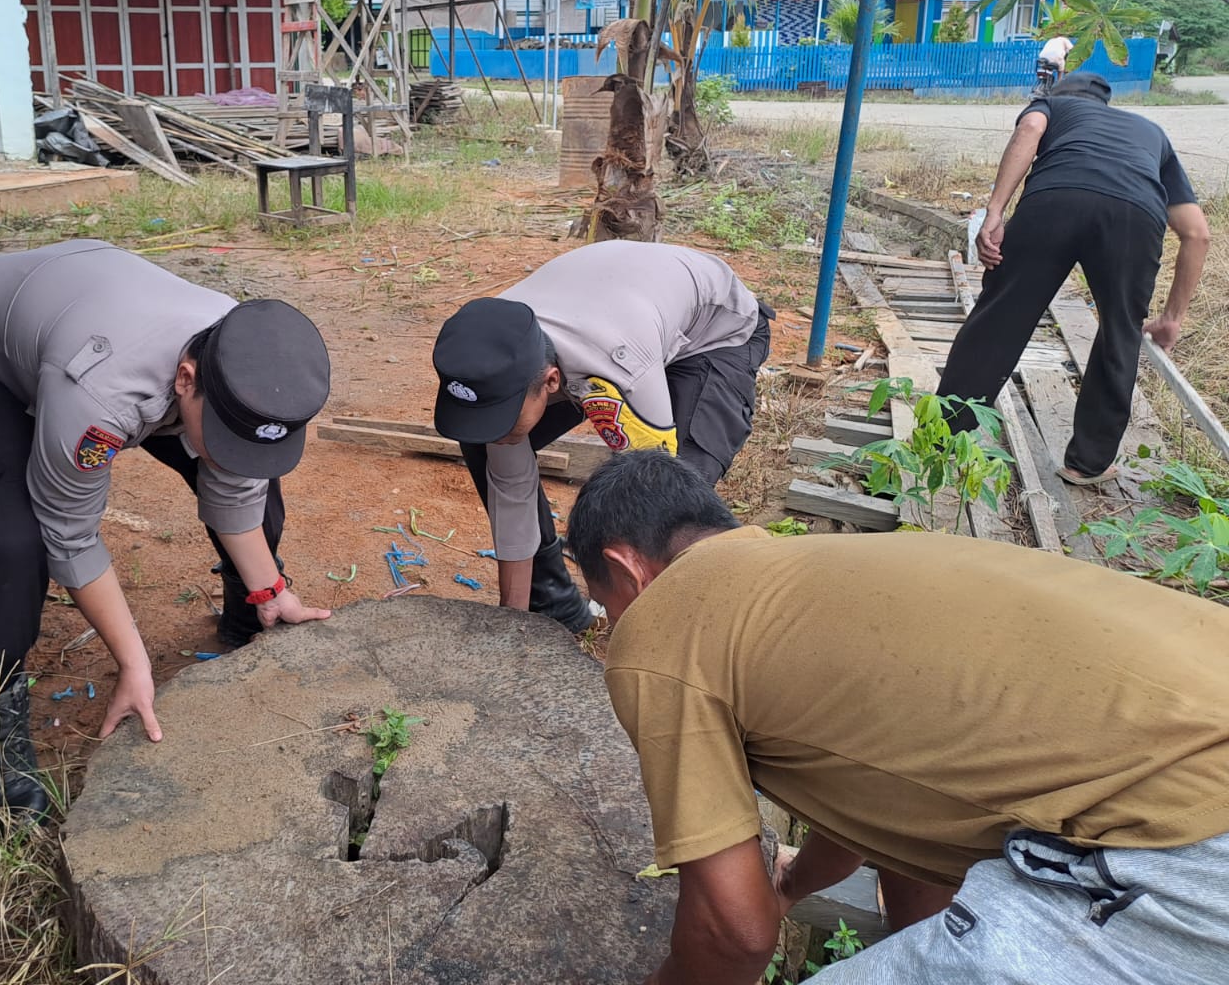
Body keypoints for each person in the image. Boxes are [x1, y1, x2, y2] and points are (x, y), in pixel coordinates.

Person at [567, 450, 1229, 985]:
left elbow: (733, 935)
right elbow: (879, 788)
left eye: (607, 606)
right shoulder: (816, 582)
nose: (615, 627)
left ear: (626, 570)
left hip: (1183, 847)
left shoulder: (666, 624)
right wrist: (793, 884)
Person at [0, 239, 334, 817]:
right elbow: (70, 533)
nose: (234, 452)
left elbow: (236, 486)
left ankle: (249, 617)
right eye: (227, 435)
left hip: (77, 309)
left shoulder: (242, 356)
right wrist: (134, 662)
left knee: (263, 500)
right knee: (15, 541)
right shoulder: (104, 397)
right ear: (187, 379)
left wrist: (272, 590)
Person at [430, 241, 771, 632]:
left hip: (713, 335)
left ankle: (672, 631)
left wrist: (622, 625)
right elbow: (511, 488)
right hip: (615, 308)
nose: (500, 430)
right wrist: (512, 622)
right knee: (486, 445)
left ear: (552, 382)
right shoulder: (498, 348)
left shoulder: (620, 367)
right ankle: (554, 608)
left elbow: (654, 491)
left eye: (505, 416)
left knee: (673, 490)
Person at [938, 73, 1210, 485]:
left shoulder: (1052, 107)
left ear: (1056, 95)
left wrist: (994, 212)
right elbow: (1197, 234)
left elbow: (1030, 129)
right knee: (1121, 333)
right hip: (1133, 218)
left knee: (998, 319)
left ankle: (944, 441)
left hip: (1054, 201)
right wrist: (1172, 316)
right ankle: (1087, 463)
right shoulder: (1151, 133)